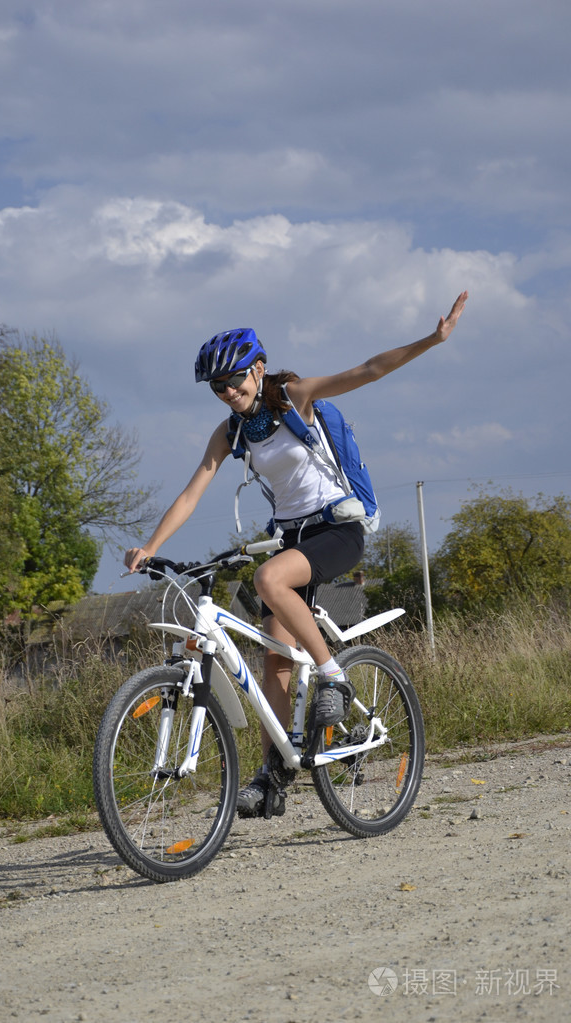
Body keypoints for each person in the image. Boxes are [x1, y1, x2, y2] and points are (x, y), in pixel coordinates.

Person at [124, 291, 468, 817]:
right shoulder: (233, 429)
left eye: (235, 380)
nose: (227, 391)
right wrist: (152, 546)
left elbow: (369, 370)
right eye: (217, 386)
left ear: (258, 368)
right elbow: (194, 490)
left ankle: (334, 675)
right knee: (275, 667)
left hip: (337, 528)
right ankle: (273, 778)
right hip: (290, 537)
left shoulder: (295, 395)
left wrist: (432, 339)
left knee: (268, 580)